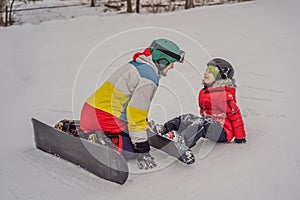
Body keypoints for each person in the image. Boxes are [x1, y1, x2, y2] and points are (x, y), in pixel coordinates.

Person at [79, 38, 185, 170]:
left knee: (133, 134)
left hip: (89, 112)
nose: (172, 67)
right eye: (171, 63)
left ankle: (77, 129)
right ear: (162, 60)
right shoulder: (148, 78)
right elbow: (135, 114)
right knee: (130, 148)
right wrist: (142, 149)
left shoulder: (137, 65)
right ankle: (104, 142)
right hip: (105, 117)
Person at [155, 58, 246, 149]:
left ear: (220, 76)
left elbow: (235, 115)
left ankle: (183, 141)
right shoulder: (206, 92)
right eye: (206, 70)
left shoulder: (223, 95)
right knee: (188, 117)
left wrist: (240, 137)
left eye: (210, 72)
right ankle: (164, 129)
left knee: (201, 123)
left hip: (223, 131)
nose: (206, 73)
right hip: (209, 124)